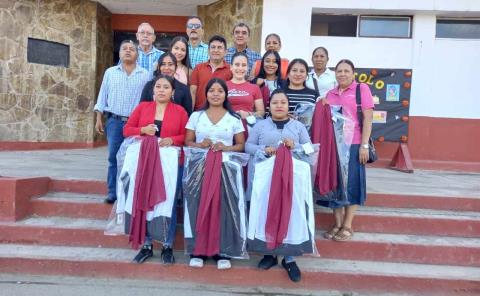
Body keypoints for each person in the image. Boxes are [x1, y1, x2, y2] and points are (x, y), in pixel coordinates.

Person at [245, 89, 314, 282]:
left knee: (290, 214)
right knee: (269, 212)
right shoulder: (260, 126)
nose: (279, 105)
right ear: (269, 106)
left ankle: (289, 258)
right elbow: (247, 146)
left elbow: (310, 149)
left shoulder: (298, 126)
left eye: (283, 102)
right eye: (275, 102)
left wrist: (296, 147)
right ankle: (270, 254)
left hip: (291, 180)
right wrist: (263, 149)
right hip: (267, 180)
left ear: (288, 105)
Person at [122, 74, 188, 264]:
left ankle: (167, 245)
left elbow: (187, 135)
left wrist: (173, 140)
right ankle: (147, 245)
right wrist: (142, 130)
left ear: (173, 92)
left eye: (166, 87)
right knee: (143, 199)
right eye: (158, 86)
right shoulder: (143, 107)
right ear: (153, 90)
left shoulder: (180, 111)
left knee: (167, 203)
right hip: (144, 162)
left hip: (170, 164)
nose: (161, 90)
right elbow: (126, 130)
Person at [184, 78, 245, 270]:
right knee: (198, 206)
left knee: (224, 208)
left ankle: (222, 250)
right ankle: (198, 250)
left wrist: (226, 147)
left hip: (225, 168)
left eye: (220, 90)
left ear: (226, 94)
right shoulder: (196, 116)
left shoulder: (234, 118)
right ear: (206, 93)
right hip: (199, 167)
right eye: (212, 90)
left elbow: (240, 145)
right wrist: (200, 144)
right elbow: (187, 141)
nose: (216, 94)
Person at [321, 59, 374, 241]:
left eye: (346, 71)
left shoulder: (361, 90)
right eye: (339, 71)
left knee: (352, 184)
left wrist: (364, 145)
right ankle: (337, 223)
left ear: (353, 73)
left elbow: (368, 119)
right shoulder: (330, 93)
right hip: (334, 146)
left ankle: (347, 225)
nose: (342, 74)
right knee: (336, 186)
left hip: (354, 144)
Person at [94, 40, 150, 204]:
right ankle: (113, 192)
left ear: (137, 54)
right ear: (119, 53)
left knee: (133, 158)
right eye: (124, 48)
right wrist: (99, 117)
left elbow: (147, 100)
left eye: (132, 49)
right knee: (113, 157)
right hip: (115, 122)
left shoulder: (145, 75)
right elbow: (102, 95)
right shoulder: (110, 73)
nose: (127, 51)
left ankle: (131, 190)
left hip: (136, 124)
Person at [190, 35, 232, 110]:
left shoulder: (231, 70)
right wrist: (191, 113)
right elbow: (193, 92)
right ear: (208, 51)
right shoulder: (198, 68)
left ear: (226, 52)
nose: (216, 50)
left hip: (223, 113)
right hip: (200, 112)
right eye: (213, 47)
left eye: (219, 47)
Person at [227, 52, 264, 127]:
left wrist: (248, 114)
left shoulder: (255, 88)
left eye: (244, 65)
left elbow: (261, 112)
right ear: (231, 67)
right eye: (237, 65)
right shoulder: (223, 86)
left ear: (247, 68)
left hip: (248, 125)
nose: (240, 68)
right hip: (227, 125)